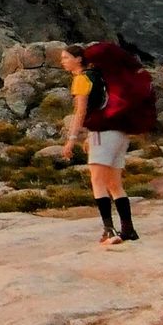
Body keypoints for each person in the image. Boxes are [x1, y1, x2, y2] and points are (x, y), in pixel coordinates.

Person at [59, 44, 138, 245]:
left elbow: (81, 112)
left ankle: (109, 230)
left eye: (66, 57)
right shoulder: (101, 76)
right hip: (120, 131)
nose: (63, 62)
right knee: (115, 183)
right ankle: (128, 229)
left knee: (98, 182)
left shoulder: (81, 79)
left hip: (103, 133)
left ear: (78, 59)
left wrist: (71, 140)